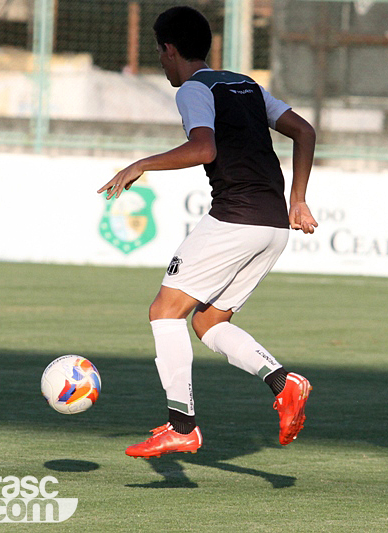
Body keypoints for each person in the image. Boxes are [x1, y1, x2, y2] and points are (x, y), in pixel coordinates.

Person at [97, 5, 317, 458]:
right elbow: (304, 131)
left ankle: (182, 425)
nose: (161, 63)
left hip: (236, 217)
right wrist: (298, 199)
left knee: (165, 310)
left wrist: (141, 163)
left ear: (170, 49)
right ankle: (284, 382)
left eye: (160, 53)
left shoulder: (195, 89)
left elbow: (203, 148)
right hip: (273, 224)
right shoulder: (246, 84)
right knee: (209, 322)